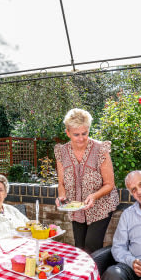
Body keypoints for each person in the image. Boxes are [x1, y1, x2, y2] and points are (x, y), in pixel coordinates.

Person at [54, 108, 119, 253]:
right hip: (76, 208)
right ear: (68, 133)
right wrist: (62, 197)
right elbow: (61, 183)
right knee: (79, 248)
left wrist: (94, 196)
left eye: (85, 133)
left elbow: (110, 184)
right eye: (76, 134)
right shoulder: (61, 152)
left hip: (101, 207)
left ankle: (96, 275)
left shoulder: (100, 149)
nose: (81, 138)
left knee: (91, 247)